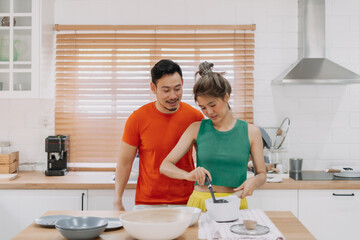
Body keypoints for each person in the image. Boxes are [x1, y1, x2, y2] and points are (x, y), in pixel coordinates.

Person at [160, 61, 266, 211]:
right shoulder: (196, 129)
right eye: (203, 107)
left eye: (212, 104)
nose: (209, 112)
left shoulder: (251, 132)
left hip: (235, 202)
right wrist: (188, 175)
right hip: (200, 203)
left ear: (226, 97)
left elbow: (262, 174)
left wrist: (254, 181)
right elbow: (165, 165)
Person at [113, 59, 204, 211]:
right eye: (166, 90)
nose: (173, 96)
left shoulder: (195, 117)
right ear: (153, 88)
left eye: (177, 88)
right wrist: (117, 200)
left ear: (182, 82)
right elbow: (124, 163)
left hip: (187, 201)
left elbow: (204, 157)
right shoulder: (138, 119)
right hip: (147, 203)